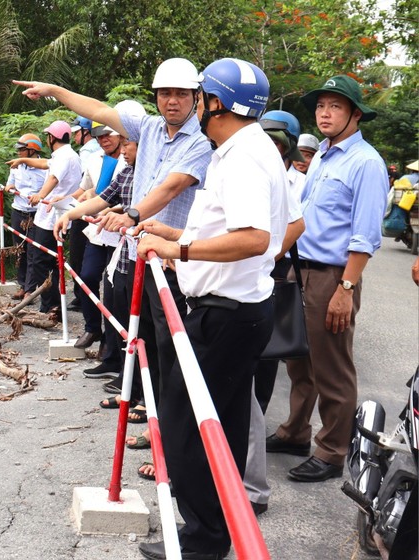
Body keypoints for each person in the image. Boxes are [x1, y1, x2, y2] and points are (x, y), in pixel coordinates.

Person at [133, 58, 288, 559]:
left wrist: (179, 252)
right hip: (238, 307)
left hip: (224, 314)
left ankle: (204, 540)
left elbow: (252, 237)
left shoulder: (242, 157)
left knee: (190, 431)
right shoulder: (251, 148)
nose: (192, 103)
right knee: (216, 425)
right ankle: (213, 528)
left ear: (214, 102)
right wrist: (174, 235)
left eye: (198, 95)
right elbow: (267, 230)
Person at [22, 59, 211, 425]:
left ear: (196, 98)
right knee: (143, 337)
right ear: (156, 97)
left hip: (170, 261)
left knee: (168, 344)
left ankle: (166, 422)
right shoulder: (151, 128)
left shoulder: (200, 145)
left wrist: (133, 215)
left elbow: (171, 187)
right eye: (166, 93)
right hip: (138, 253)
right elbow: (98, 110)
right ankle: (146, 404)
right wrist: (55, 91)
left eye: (182, 94)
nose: (173, 101)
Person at [267, 75, 389, 483]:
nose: (325, 112)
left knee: (332, 367)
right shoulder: (321, 154)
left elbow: (365, 234)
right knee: (299, 360)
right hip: (300, 268)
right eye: (321, 105)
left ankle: (333, 450)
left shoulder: (366, 162)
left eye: (336, 106)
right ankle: (296, 432)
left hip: (334, 276)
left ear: (355, 114)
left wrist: (347, 289)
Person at [244, 109, 307, 517]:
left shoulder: (294, 179)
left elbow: (296, 224)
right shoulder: (248, 165)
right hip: (254, 273)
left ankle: (250, 468)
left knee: (264, 364)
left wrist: (268, 254)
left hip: (272, 273)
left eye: (278, 138)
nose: (270, 143)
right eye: (265, 135)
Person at [8, 121, 82, 316]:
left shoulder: (64, 157)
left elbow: (53, 177)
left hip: (52, 218)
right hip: (51, 216)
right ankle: (51, 305)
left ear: (52, 138)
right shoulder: (65, 155)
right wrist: (23, 161)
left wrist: (40, 195)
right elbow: (44, 164)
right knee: (48, 260)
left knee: (41, 261)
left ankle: (51, 306)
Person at [71, 121, 130, 348]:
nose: (103, 139)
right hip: (98, 231)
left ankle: (112, 342)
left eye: (108, 134)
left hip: (121, 231)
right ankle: (92, 328)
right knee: (86, 276)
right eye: (98, 136)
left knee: (114, 289)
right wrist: (69, 206)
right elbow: (90, 190)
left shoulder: (131, 160)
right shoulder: (95, 160)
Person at [3, 134, 48, 300]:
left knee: (33, 252)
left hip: (36, 213)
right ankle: (23, 285)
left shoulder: (46, 167)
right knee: (19, 250)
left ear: (32, 150)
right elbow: (10, 183)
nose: (19, 153)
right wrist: (10, 187)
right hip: (18, 211)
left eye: (22, 149)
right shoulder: (16, 166)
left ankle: (30, 290)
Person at [68, 116, 102, 310]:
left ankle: (82, 299)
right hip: (93, 210)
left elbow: (90, 188)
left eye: (77, 132)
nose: (74, 137)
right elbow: (86, 188)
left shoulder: (89, 152)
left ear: (86, 132)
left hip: (91, 213)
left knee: (80, 259)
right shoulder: (97, 153)